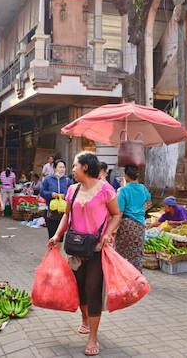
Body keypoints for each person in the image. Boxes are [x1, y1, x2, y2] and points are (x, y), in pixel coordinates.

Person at [48, 152, 121, 356]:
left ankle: (93, 337)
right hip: (75, 248)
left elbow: (116, 215)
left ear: (85, 168)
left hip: (97, 248)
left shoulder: (106, 189)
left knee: (93, 289)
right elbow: (67, 216)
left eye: (74, 166)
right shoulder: (72, 189)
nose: (72, 169)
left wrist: (108, 233)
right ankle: (84, 319)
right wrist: (56, 236)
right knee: (79, 288)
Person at [115, 165, 151, 271]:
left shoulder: (123, 190)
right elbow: (148, 198)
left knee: (122, 255)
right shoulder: (143, 188)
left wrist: (114, 229)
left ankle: (124, 280)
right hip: (139, 225)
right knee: (137, 255)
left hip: (126, 225)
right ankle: (137, 282)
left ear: (125, 176)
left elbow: (119, 212)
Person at [40, 160, 72, 239]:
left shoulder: (67, 180)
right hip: (51, 212)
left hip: (63, 213)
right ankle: (52, 251)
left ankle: (57, 251)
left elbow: (72, 192)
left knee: (61, 237)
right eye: (60, 167)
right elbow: (42, 192)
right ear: (54, 168)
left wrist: (65, 195)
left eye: (64, 167)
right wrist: (51, 194)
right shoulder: (48, 179)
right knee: (52, 235)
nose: (62, 169)